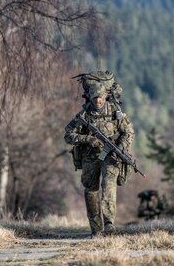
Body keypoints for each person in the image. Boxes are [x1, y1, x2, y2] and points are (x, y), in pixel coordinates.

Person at [64, 82, 134, 237]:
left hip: (110, 156)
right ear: (90, 97)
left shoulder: (115, 112)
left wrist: (120, 146)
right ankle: (96, 229)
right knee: (91, 190)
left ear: (105, 96)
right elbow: (68, 135)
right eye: (95, 97)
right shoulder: (83, 115)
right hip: (90, 157)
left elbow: (128, 133)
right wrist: (88, 139)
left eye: (100, 97)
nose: (98, 101)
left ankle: (109, 224)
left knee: (108, 185)